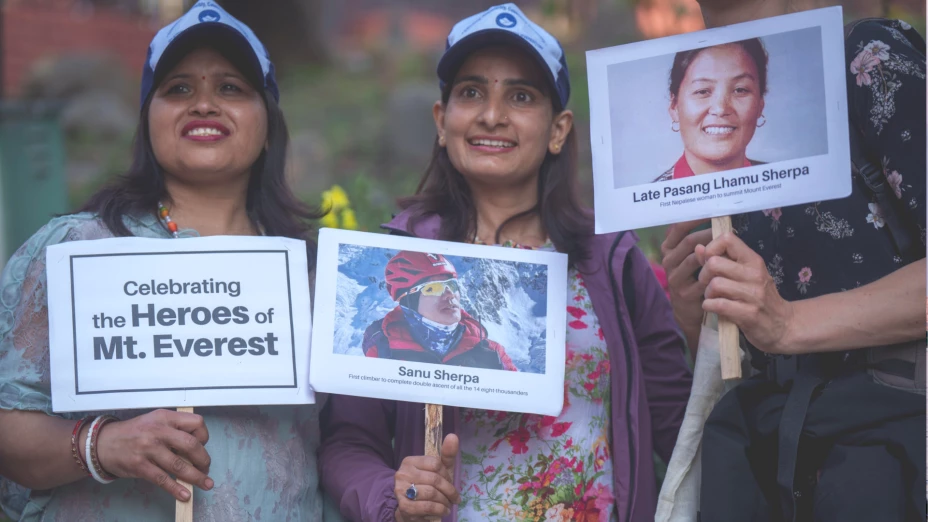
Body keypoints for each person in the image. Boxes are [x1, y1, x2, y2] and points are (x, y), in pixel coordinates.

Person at [320, 4, 693, 522]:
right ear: (441, 120)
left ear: (559, 129)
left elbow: (680, 425)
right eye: (471, 92)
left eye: (520, 96)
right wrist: (393, 493)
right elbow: (347, 441)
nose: (492, 115)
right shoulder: (396, 264)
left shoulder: (612, 259)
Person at [0, 4, 334, 520]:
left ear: (268, 124)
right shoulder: (79, 249)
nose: (203, 103)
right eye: (178, 88)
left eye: (231, 88)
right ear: (147, 120)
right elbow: (9, 427)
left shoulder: (313, 278)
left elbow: (341, 446)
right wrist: (103, 445)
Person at [661, 0, 926, 520]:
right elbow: (744, 352)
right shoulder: (712, 157)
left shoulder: (866, 58)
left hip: (890, 462)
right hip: (764, 465)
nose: (722, 104)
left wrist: (788, 324)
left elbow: (780, 323)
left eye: (742, 88)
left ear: (763, 99)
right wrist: (698, 317)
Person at [363, 251, 517, 371]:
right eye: (434, 288)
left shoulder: (491, 353)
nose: (450, 294)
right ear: (409, 301)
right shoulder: (382, 346)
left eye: (452, 285)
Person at [656, 38, 768, 182]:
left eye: (740, 90)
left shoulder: (787, 186)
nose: (721, 109)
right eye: (702, 91)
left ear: (760, 104)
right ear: (674, 106)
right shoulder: (649, 203)